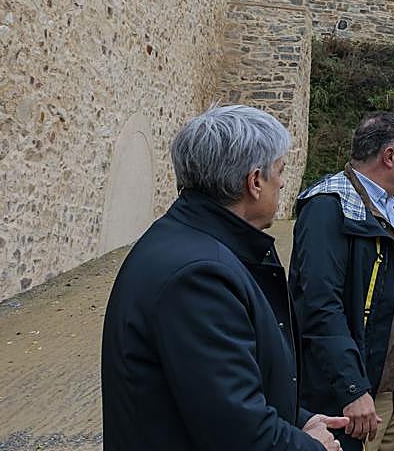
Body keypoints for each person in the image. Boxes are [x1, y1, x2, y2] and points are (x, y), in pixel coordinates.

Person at [101, 105, 348, 451]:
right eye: (280, 171)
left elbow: (218, 389)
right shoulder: (200, 276)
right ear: (255, 182)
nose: (282, 182)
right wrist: (310, 446)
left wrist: (295, 417)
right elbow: (236, 432)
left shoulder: (194, 244)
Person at [290, 112, 394, 451]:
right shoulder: (327, 207)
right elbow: (319, 305)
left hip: (393, 379)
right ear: (389, 157)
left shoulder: (392, 205)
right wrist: (352, 387)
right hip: (357, 390)